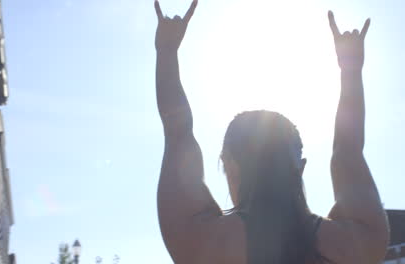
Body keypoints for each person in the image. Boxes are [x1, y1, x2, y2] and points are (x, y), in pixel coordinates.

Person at [154, 1, 389, 263]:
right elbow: (348, 151)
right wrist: (351, 70)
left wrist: (166, 51)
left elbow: (178, 132)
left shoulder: (200, 242)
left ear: (229, 164)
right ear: (299, 167)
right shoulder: (357, 244)